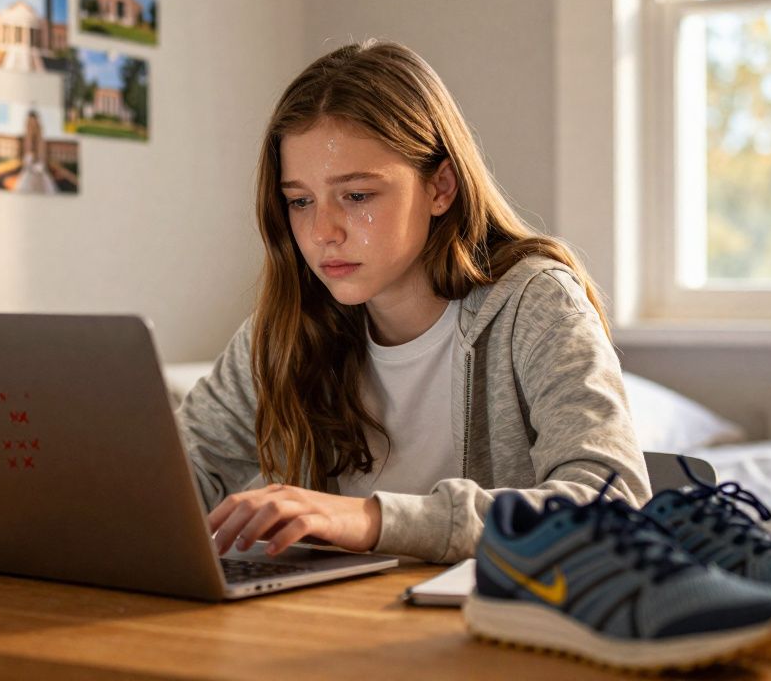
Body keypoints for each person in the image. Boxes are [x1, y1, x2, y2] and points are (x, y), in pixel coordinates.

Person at [176, 40, 651, 564]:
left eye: (357, 196)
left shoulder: (534, 304)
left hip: (479, 613)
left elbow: (613, 507)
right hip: (330, 612)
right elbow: (179, 473)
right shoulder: (287, 327)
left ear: (440, 187)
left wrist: (373, 520)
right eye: (300, 201)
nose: (322, 231)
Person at [14, 110, 59, 195]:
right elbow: (26, 162)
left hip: (40, 175)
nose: (32, 127)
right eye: (30, 124)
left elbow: (41, 164)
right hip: (28, 175)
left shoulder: (41, 140)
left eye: (34, 124)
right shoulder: (24, 140)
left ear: (37, 124)